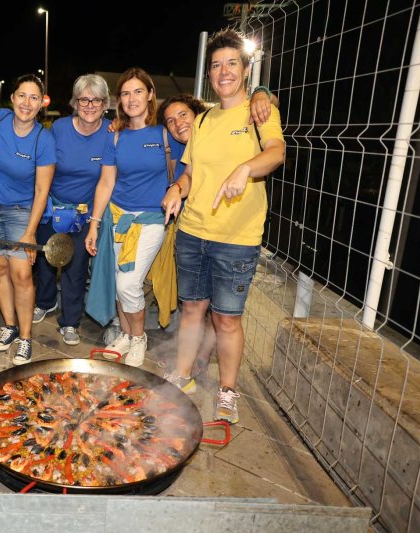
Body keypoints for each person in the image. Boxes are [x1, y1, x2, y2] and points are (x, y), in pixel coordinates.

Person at [162, 29, 285, 424]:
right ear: (210, 76)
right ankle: (182, 375)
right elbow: (192, 172)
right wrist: (176, 189)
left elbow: (276, 153)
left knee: (227, 319)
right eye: (216, 66)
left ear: (246, 69)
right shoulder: (202, 121)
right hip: (193, 231)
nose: (223, 71)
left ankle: (228, 391)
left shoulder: (259, 110)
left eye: (232, 63)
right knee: (192, 308)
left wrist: (245, 168)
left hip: (236, 238)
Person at [85, 67, 174, 367]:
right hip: (117, 218)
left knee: (128, 284)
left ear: (150, 95)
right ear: (119, 99)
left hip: (151, 220)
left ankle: (138, 337)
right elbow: (106, 183)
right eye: (125, 93)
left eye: (138, 91)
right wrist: (94, 225)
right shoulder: (115, 137)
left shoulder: (165, 132)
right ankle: (124, 333)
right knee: (118, 280)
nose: (132, 98)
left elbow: (185, 172)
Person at [33, 74, 111, 346]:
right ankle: (44, 302)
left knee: (75, 268)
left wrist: (94, 220)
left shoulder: (112, 133)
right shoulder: (59, 128)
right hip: (52, 207)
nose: (90, 105)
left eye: (96, 100)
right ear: (75, 103)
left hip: (84, 214)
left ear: (105, 104)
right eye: (84, 99)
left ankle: (70, 322)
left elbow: (109, 179)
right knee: (44, 260)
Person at [0, 74, 56, 365]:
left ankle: (25, 338)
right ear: (12, 98)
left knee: (22, 274)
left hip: (22, 211)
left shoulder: (44, 139)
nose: (27, 103)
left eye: (34, 98)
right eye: (22, 96)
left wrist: (30, 233)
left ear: (41, 104)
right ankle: (10, 326)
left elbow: (42, 190)